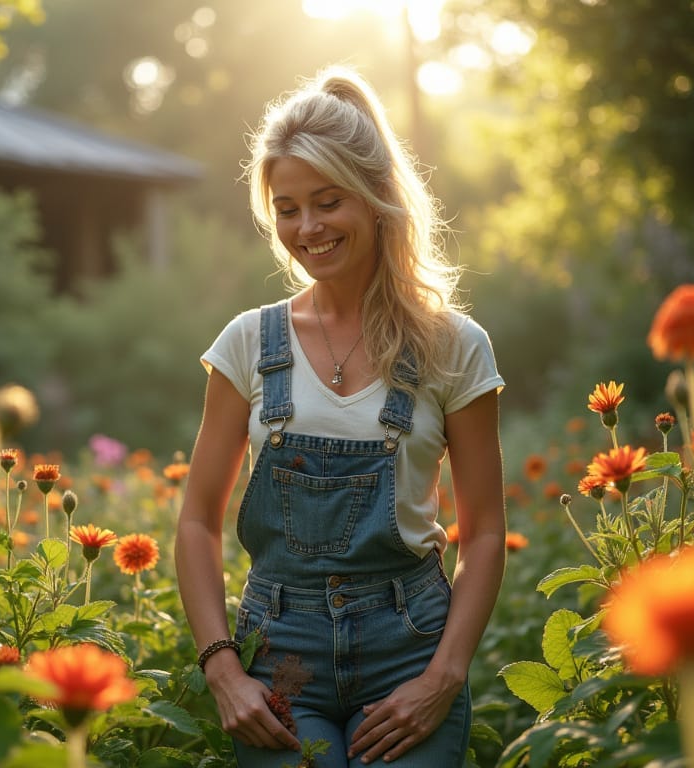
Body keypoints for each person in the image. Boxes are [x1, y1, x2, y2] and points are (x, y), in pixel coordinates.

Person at [175, 66, 506, 768]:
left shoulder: (454, 346)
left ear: (378, 196)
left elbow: (485, 531)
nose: (308, 228)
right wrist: (222, 669)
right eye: (288, 208)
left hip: (410, 650)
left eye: (328, 202)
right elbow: (197, 518)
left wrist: (444, 676)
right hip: (280, 656)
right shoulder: (247, 342)